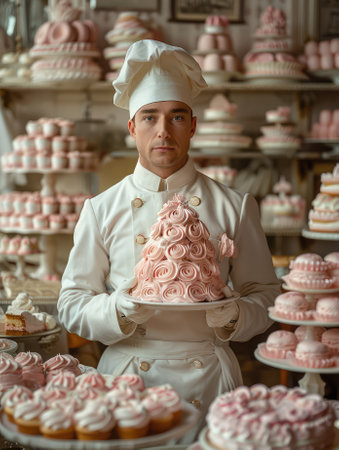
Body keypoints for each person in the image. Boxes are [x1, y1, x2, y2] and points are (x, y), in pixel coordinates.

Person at [58, 39, 281, 442]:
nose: (163, 131)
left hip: (209, 378)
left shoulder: (235, 205)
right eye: (149, 117)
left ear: (192, 125)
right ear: (132, 128)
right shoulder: (101, 208)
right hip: (129, 381)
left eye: (176, 117)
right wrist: (118, 310)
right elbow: (71, 304)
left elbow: (266, 295)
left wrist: (232, 316)